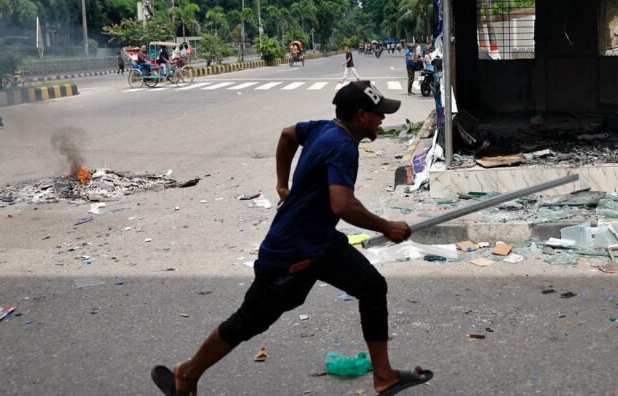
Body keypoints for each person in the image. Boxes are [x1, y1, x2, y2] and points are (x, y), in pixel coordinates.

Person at [151, 81, 433, 396]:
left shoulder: (323, 129)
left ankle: (384, 376)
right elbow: (341, 203)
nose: (382, 119)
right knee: (250, 320)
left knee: (372, 287)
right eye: (378, 114)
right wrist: (386, 226)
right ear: (362, 115)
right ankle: (187, 374)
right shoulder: (343, 146)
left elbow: (287, 135)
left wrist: (282, 185)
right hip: (292, 252)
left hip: (321, 242)